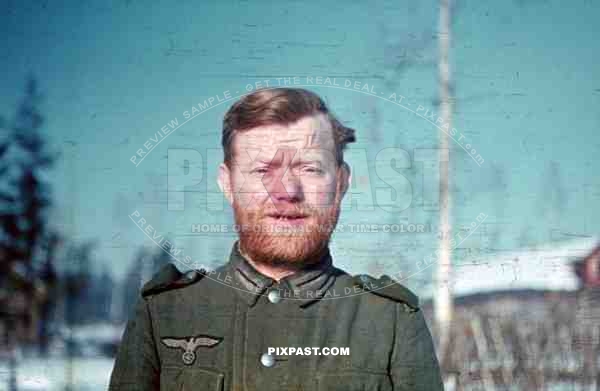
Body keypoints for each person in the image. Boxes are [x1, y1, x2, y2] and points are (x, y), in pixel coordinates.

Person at [108, 87, 444, 391]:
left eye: (309, 168)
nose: (286, 191)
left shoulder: (390, 321)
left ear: (341, 183)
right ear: (227, 183)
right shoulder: (165, 313)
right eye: (262, 170)